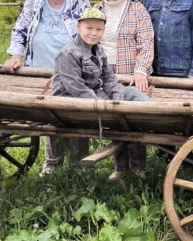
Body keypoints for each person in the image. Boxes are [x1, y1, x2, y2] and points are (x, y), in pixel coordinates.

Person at [3, 0, 91, 175]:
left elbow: (91, 33)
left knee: (76, 115)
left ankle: (80, 164)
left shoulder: (79, 1)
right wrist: (16, 55)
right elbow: (20, 30)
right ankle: (52, 162)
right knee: (48, 117)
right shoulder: (34, 2)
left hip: (73, 72)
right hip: (40, 70)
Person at [50, 8, 151, 150]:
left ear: (103, 31)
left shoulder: (98, 50)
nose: (93, 33)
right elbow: (76, 88)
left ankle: (153, 114)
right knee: (115, 108)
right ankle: (146, 119)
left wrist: (117, 98)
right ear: (78, 27)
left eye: (98, 29)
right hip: (70, 99)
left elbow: (108, 77)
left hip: (93, 94)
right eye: (89, 28)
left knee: (131, 93)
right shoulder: (68, 53)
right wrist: (102, 105)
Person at [94, 0, 154, 180]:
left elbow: (147, 44)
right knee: (113, 117)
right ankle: (120, 167)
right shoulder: (97, 10)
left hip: (129, 73)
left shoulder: (137, 9)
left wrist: (141, 71)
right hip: (104, 74)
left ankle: (138, 167)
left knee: (133, 118)